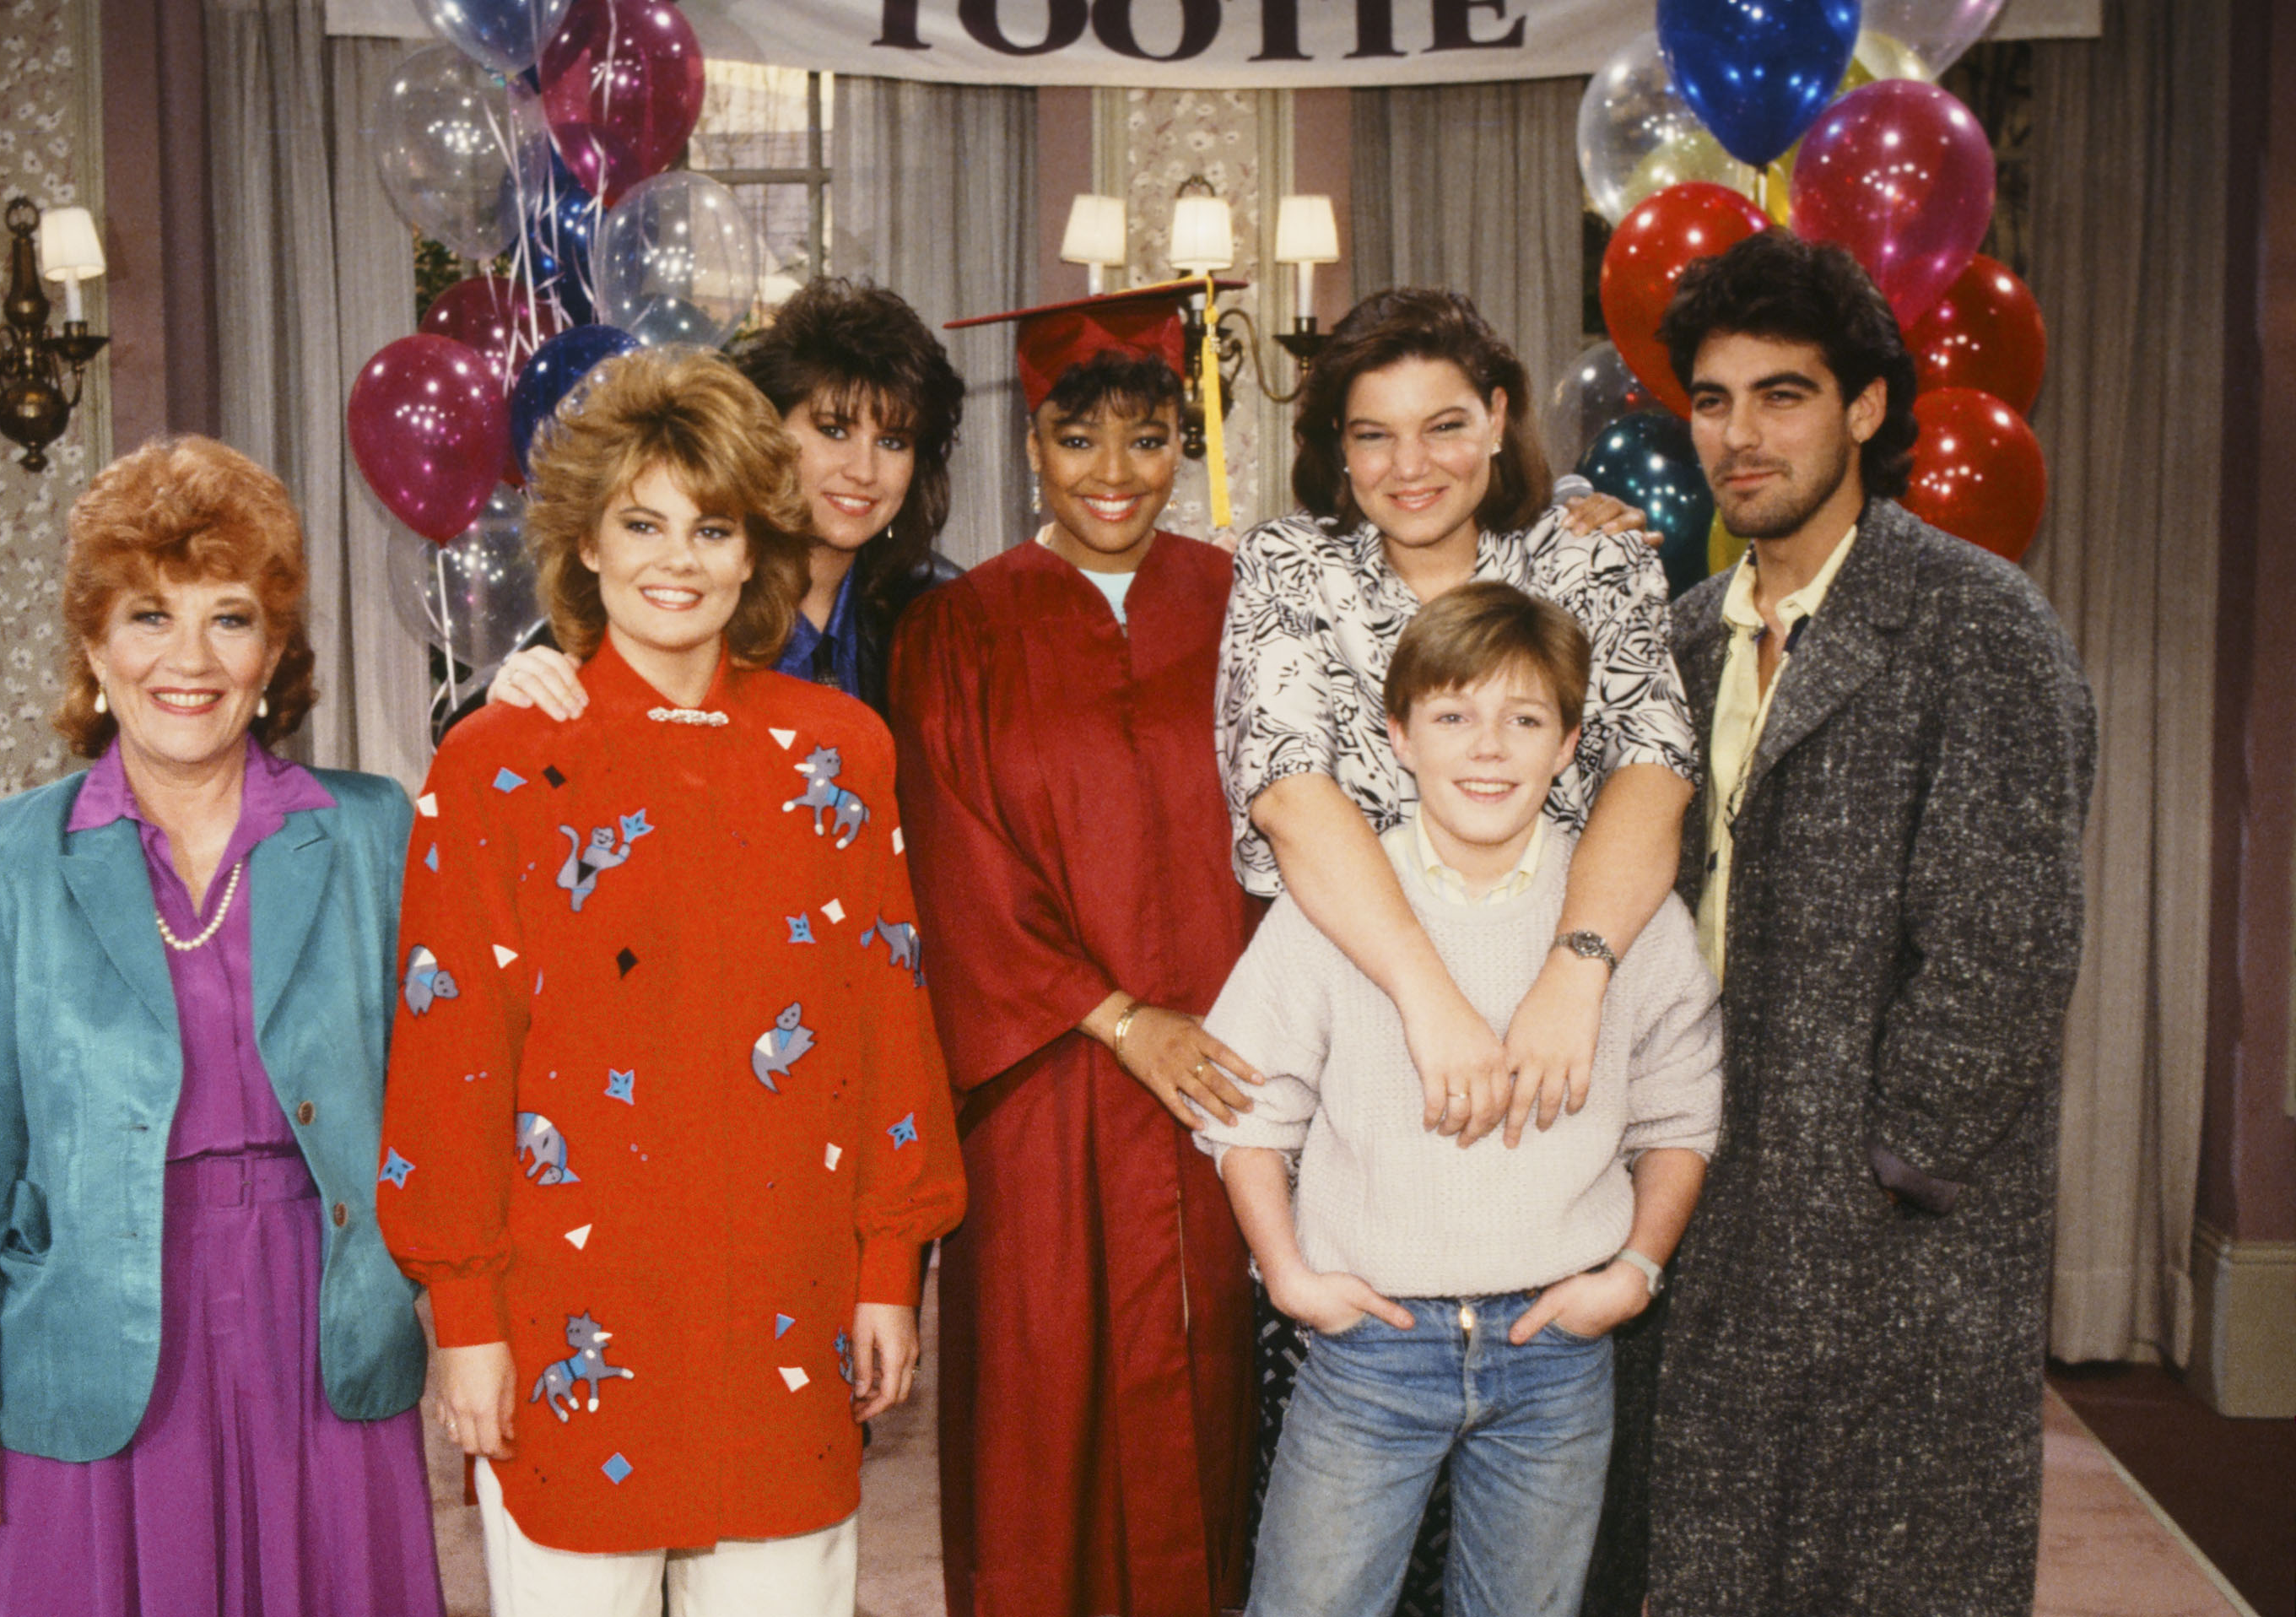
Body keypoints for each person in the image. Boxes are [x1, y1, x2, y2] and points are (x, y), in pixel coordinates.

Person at [376, 348, 964, 1617]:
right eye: (642, 524)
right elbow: (450, 1053)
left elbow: (887, 1023)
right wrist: (464, 1317)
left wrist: (887, 1269)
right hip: (572, 1309)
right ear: (584, 543)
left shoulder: (841, 755)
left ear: (759, 550)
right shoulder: (496, 764)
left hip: (788, 1298)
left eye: (713, 528)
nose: (678, 560)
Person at [1218, 286, 1699, 1613]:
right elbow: (1287, 787)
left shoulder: (1593, 558)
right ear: (1336, 450)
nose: (1408, 465)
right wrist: (1429, 1000)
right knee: (1330, 1555)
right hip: (1369, 1075)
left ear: (1500, 419)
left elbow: (1652, 771)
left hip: (1552, 1091)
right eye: (1370, 436)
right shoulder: (1289, 568)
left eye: (1442, 424)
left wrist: (1573, 974)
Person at [0, 437, 444, 1617]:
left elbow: (451, 1098)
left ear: (274, 652)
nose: (188, 660)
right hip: (87, 1342)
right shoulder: (7, 854)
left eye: (230, 618)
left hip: (323, 1334)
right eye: (150, 616)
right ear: (95, 645)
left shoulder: (371, 834)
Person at [1643, 229, 2095, 1616]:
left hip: (1896, 1237)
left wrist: (1893, 1164)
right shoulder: (1685, 635)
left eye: (1782, 394)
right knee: (1711, 1575)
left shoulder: (1979, 624)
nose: (1740, 436)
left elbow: (2003, 956)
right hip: (1703, 1199)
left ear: (1867, 406)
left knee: (1891, 1581)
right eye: (1713, 400)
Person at [892, 280, 1264, 1617]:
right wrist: (1116, 1017)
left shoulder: (1250, 607)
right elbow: (952, 860)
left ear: (1187, 443)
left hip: (1236, 1075)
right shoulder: (955, 629)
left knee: (1222, 1387)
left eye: (1149, 435)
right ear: (1029, 444)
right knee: (1039, 1405)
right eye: (1078, 434)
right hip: (1042, 1083)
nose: (1115, 471)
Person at [477, 278, 966, 727]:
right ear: (767, 430)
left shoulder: (941, 615)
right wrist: (516, 688)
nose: (863, 470)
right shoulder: (673, 582)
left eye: (894, 441)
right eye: (832, 430)